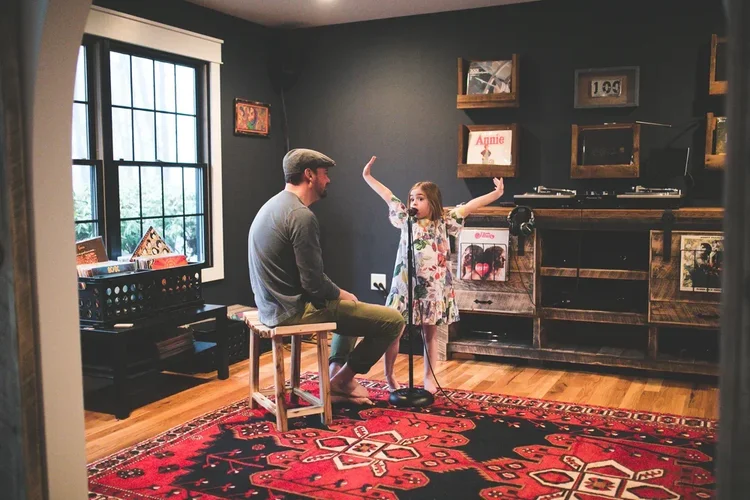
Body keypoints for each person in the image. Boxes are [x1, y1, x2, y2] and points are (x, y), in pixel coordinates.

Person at [247, 148, 405, 404]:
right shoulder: (301, 216)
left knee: (347, 306)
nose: (328, 180)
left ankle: (335, 374)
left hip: (270, 307)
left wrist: (340, 295)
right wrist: (342, 294)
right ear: (309, 175)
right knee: (393, 321)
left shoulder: (273, 205)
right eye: (325, 173)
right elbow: (314, 283)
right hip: (291, 312)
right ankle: (341, 381)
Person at [361, 156, 505, 393]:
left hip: (432, 288)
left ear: (433, 201)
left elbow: (470, 206)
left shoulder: (444, 221)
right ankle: (390, 376)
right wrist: (368, 176)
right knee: (394, 330)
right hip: (405, 286)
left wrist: (496, 194)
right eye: (412, 198)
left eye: (420, 198)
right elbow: (387, 195)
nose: (414, 202)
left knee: (430, 332)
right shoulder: (406, 219)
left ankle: (429, 377)